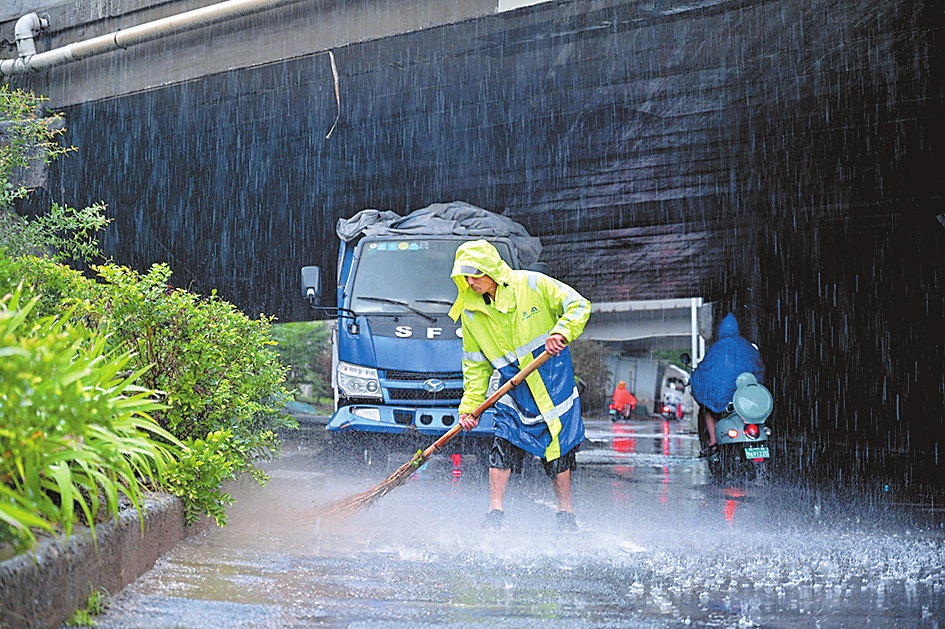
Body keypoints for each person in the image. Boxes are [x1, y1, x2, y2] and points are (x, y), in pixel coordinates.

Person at [448, 240, 591, 532]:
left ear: (491, 270)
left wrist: (561, 332)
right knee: (503, 442)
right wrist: (470, 408)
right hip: (511, 388)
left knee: (557, 450)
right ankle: (495, 512)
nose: (471, 282)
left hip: (552, 382)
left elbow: (578, 305)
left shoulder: (532, 284)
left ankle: (565, 512)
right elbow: (476, 366)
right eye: (466, 277)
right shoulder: (470, 313)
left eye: (475, 274)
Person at [689, 312, 765, 456]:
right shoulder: (748, 347)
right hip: (745, 398)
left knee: (707, 410)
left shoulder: (716, 349)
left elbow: (705, 371)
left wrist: (695, 379)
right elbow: (759, 367)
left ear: (721, 330)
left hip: (723, 400)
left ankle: (713, 442)